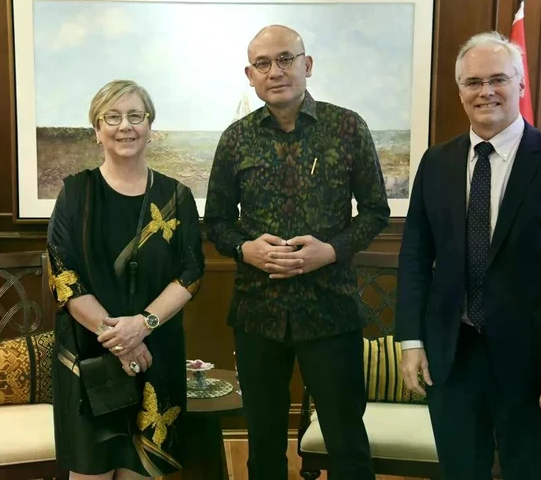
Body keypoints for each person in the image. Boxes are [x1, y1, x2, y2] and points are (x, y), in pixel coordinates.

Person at [396, 31, 541, 480]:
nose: (486, 91)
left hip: (536, 364)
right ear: (459, 91)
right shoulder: (436, 163)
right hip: (452, 357)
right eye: (473, 82)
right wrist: (411, 339)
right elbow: (415, 257)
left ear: (521, 84)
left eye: (498, 79)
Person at [203, 24, 390, 480]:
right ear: (250, 75)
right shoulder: (235, 139)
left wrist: (331, 250)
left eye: (286, 59)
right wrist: (246, 249)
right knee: (263, 442)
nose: (276, 71)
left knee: (345, 439)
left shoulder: (347, 128)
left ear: (307, 65)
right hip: (258, 313)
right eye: (263, 64)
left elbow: (374, 212)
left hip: (330, 310)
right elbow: (216, 223)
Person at [46, 79, 205, 480]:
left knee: (142, 472)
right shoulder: (74, 194)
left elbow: (191, 273)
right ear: (97, 131)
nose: (125, 126)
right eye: (112, 117)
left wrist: (143, 325)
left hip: (158, 352)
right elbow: (65, 278)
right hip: (89, 355)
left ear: (150, 126)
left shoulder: (177, 196)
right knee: (91, 473)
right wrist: (120, 340)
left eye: (136, 116)